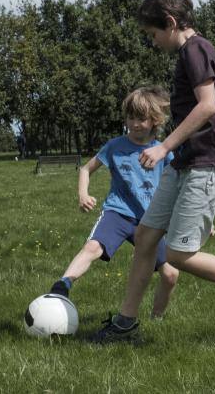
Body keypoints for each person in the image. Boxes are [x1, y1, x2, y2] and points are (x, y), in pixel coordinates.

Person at [93, 0, 215, 343]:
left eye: (153, 34)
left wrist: (166, 148)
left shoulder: (194, 49)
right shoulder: (201, 52)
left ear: (171, 22)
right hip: (192, 163)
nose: (152, 42)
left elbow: (208, 106)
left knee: (177, 254)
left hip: (202, 165)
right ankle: (125, 323)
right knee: (145, 236)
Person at [48, 86, 179, 319]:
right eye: (130, 118)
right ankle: (62, 286)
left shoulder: (163, 152)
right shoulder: (114, 146)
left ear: (155, 120)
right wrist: (83, 194)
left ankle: (157, 318)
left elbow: (180, 186)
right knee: (92, 247)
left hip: (150, 221)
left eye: (141, 119)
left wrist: (203, 221)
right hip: (118, 212)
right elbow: (85, 169)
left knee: (170, 275)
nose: (134, 124)